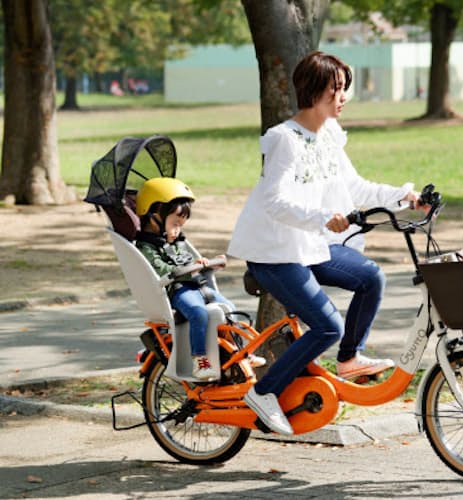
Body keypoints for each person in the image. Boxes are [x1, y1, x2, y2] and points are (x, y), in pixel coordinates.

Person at [227, 51, 426, 435]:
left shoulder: (329, 135)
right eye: (337, 88)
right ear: (316, 90)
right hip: (276, 251)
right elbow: (274, 200)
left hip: (311, 244)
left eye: (344, 88)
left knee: (371, 278)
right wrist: (322, 218)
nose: (343, 96)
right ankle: (264, 392)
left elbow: (355, 186)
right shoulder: (285, 140)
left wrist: (404, 196)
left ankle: (350, 360)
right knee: (327, 326)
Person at [135, 178, 265, 380]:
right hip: (178, 290)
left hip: (197, 286)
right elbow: (162, 270)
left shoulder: (176, 241)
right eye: (175, 223)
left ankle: (242, 352)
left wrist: (202, 263)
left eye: (181, 224)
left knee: (230, 309)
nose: (178, 229)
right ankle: (200, 359)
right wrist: (189, 268)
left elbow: (185, 260)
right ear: (154, 217)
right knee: (198, 313)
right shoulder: (147, 247)